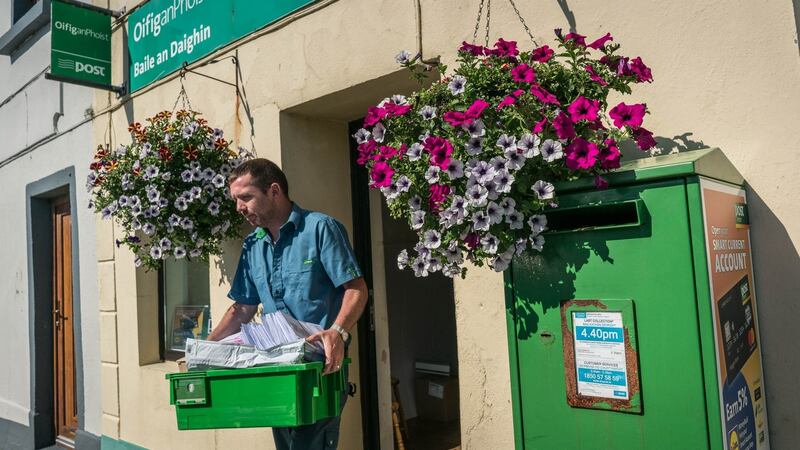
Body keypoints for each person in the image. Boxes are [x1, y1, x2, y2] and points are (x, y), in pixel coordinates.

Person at [207, 158, 368, 450]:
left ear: (274, 191)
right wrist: (204, 351)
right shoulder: (253, 245)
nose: (239, 208)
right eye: (235, 200)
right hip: (275, 371)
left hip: (319, 370)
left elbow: (356, 290)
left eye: (246, 198)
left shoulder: (321, 229)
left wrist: (338, 331)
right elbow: (241, 309)